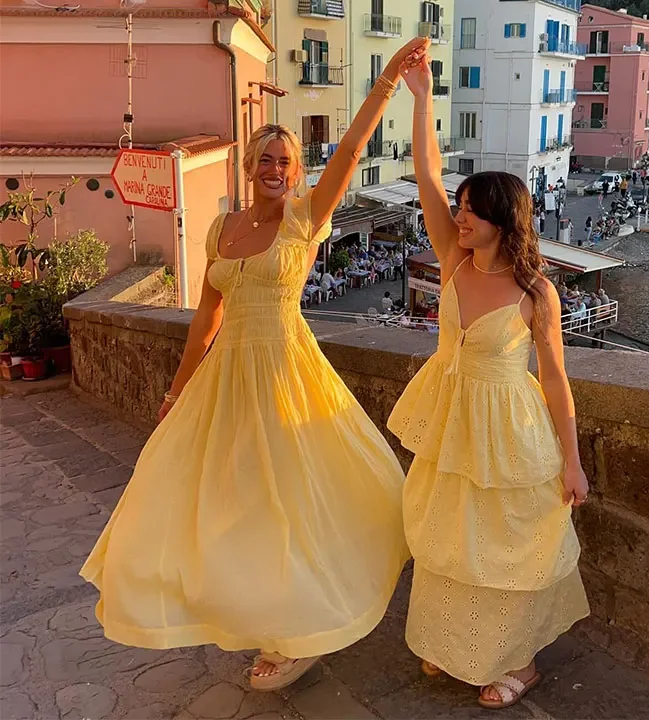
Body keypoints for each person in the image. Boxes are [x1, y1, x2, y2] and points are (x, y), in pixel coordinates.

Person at [80, 38, 430, 692]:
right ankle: (264, 614)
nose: (275, 168)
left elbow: (351, 150)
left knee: (289, 504)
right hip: (228, 381)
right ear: (249, 167)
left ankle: (296, 633)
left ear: (296, 174)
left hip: (285, 373)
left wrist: (386, 82)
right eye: (265, 159)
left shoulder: (305, 219)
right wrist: (176, 392)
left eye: (285, 161)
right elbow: (206, 320)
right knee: (234, 504)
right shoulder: (222, 231)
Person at [388, 51, 590, 709]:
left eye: (473, 210)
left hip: (510, 432)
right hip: (453, 423)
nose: (460, 216)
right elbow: (426, 173)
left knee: (507, 544)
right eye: (461, 207)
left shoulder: (536, 291)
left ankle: (519, 663)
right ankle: (456, 645)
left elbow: (556, 381)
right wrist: (422, 97)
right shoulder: (453, 261)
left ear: (505, 219)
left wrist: (572, 462)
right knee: (452, 538)